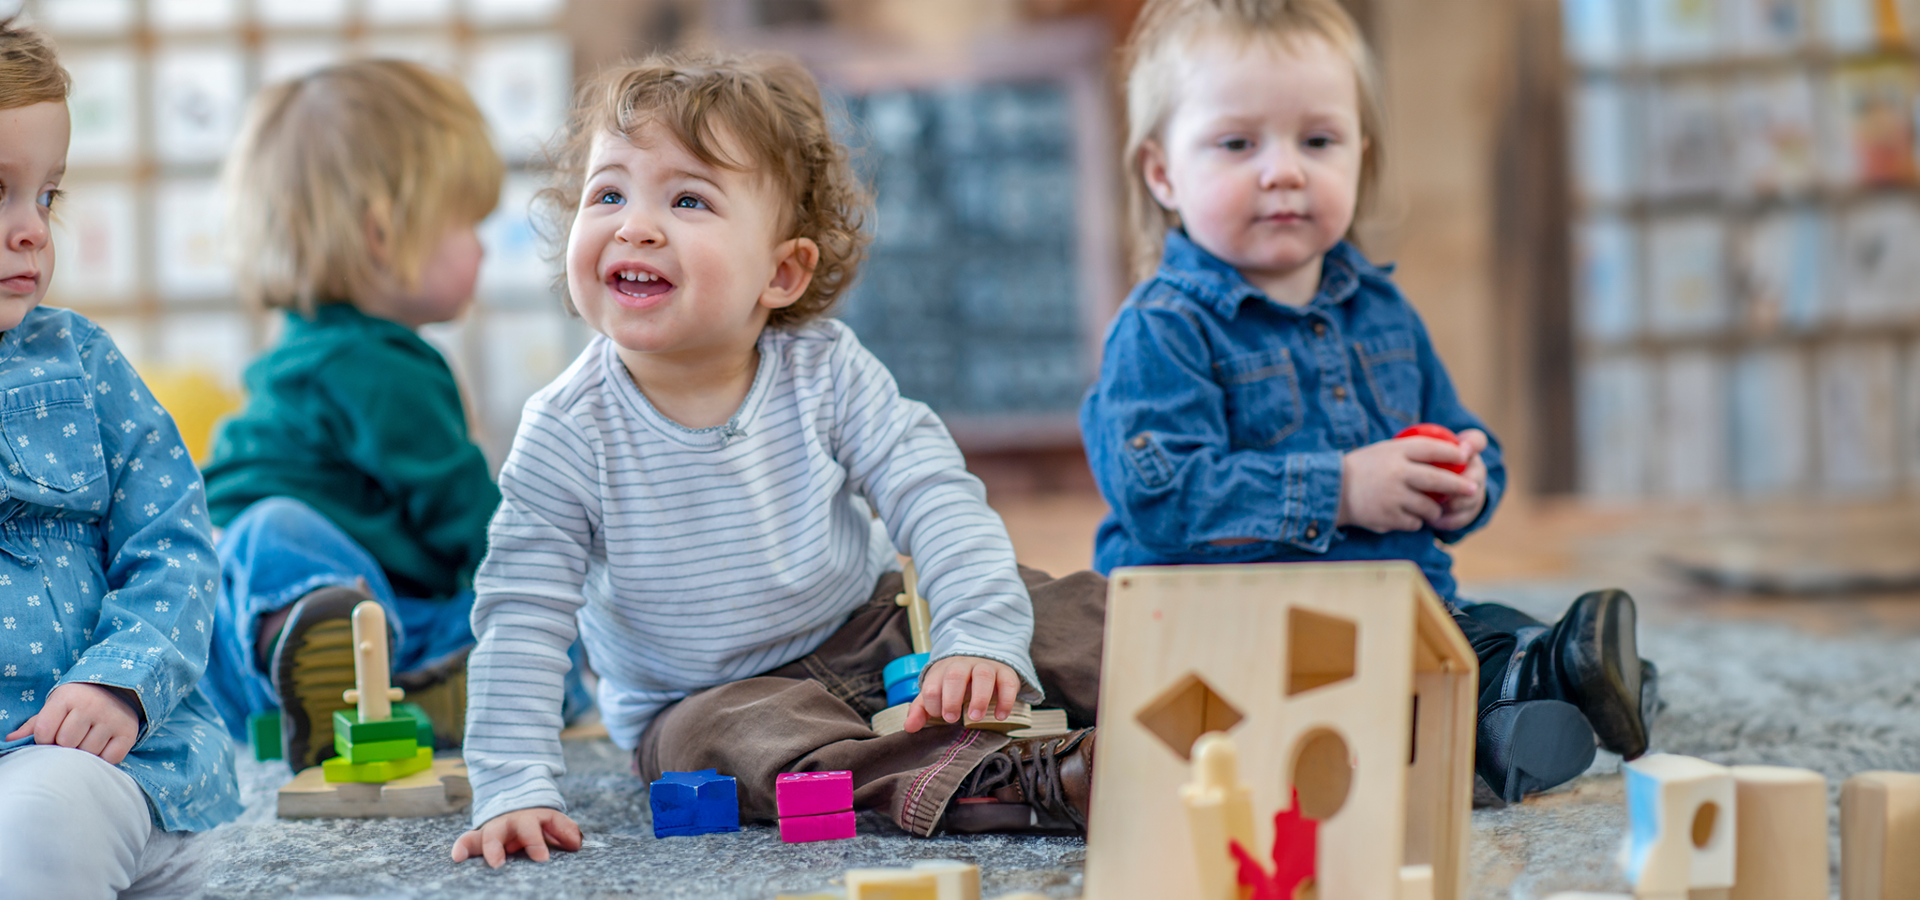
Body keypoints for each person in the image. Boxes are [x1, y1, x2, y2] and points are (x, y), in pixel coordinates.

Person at [451, 51, 1106, 868]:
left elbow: (934, 495)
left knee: (1076, 609)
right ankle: (1017, 779)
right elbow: (522, 615)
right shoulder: (565, 429)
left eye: (688, 199)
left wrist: (976, 635)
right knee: (716, 747)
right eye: (609, 193)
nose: (636, 225)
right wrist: (513, 785)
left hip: (875, 624)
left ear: (783, 271)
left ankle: (1184, 692)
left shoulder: (826, 369)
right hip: (710, 698)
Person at [1079, 0, 1655, 804]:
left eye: (1317, 141)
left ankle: (1544, 679)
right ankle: (1503, 718)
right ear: (1162, 172)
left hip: (1391, 609)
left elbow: (1458, 428)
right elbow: (1161, 498)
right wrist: (1342, 488)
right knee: (1354, 699)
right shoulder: (1161, 328)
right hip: (1230, 635)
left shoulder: (1383, 310)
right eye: (1238, 143)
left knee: (1481, 632)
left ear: (1360, 157)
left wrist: (1465, 480)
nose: (1282, 170)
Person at [198, 60, 587, 770]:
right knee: (278, 531)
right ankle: (325, 652)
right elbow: (473, 521)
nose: (478, 247)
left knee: (489, 633)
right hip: (259, 617)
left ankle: (393, 693)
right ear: (383, 234)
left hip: (248, 655)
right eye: (467, 224)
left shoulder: (305, 346)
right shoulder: (383, 366)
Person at [0, 18, 241, 897]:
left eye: (47, 197)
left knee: (38, 825)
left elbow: (174, 545)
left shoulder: (81, 362)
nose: (30, 229)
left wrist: (122, 684)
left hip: (77, 749)